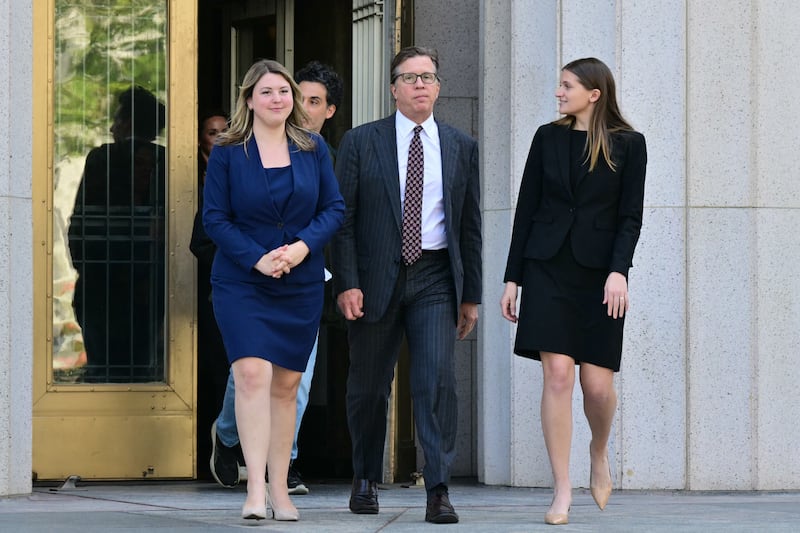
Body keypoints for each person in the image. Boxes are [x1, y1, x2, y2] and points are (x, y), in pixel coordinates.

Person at [331, 46, 482, 524]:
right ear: (393, 87)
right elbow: (344, 221)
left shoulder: (460, 145)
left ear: (439, 87)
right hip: (375, 278)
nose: (421, 84)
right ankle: (364, 477)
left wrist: (471, 294)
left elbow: (469, 227)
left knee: (436, 380)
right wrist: (347, 283)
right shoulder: (361, 141)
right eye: (410, 77)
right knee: (369, 386)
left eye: (429, 77)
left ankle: (437, 487)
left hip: (435, 277)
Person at [500, 57, 647, 526]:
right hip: (547, 268)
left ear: (594, 94)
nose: (559, 92)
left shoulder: (629, 145)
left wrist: (619, 271)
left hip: (601, 275)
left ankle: (598, 450)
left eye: (567, 86)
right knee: (558, 375)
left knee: (597, 387)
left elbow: (630, 216)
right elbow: (527, 208)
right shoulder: (547, 138)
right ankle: (562, 488)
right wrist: (512, 277)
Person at [202, 58, 344, 522]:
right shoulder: (227, 150)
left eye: (284, 92)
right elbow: (215, 219)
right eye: (267, 92)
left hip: (299, 282)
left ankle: (281, 490)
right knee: (251, 377)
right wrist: (256, 257)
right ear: (249, 99)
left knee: (286, 387)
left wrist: (303, 248)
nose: (277, 99)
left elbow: (333, 209)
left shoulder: (313, 147)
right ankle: (255, 489)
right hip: (242, 281)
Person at [69, 85, 166, 383]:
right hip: (150, 282)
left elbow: (81, 222)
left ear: (130, 123)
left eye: (118, 119)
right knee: (144, 367)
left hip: (102, 280)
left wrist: (84, 267)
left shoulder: (101, 159)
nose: (112, 126)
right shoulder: (167, 161)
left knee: (102, 367)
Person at [189, 110, 230, 480]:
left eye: (223, 132)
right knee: (217, 371)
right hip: (213, 288)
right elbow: (199, 241)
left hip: (246, 292)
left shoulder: (240, 168)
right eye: (210, 132)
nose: (217, 138)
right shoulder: (187, 175)